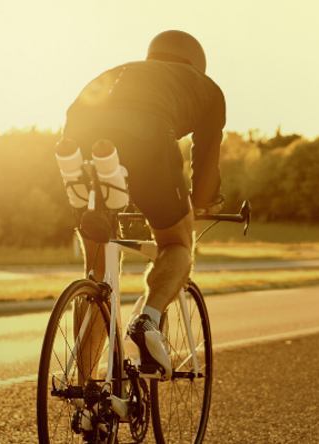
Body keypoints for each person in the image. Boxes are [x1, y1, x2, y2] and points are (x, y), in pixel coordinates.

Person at [58, 30, 225, 379]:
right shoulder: (205, 88)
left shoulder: (125, 69)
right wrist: (202, 203)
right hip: (147, 133)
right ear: (198, 65)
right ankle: (147, 321)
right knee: (178, 244)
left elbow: (85, 109)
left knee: (97, 273)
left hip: (79, 130)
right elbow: (206, 160)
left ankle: (88, 395)